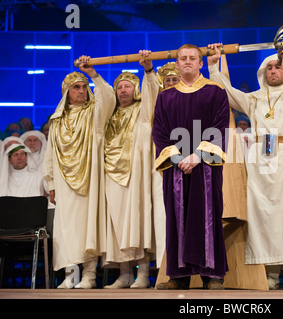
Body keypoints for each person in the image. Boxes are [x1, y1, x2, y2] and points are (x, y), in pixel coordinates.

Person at [208, 43, 283, 290]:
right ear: (263, 72)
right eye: (270, 67)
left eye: (278, 67)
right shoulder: (254, 98)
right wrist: (214, 66)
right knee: (263, 216)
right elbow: (227, 93)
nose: (274, 71)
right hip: (260, 158)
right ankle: (269, 271)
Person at [152, 44, 229, 290]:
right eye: (182, 58)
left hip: (205, 166)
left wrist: (197, 155)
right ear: (177, 63)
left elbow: (219, 127)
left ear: (200, 63)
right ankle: (178, 276)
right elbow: (161, 132)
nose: (187, 61)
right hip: (175, 168)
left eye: (192, 58)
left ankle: (213, 276)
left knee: (208, 217)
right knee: (176, 219)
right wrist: (177, 158)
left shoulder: (215, 93)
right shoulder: (165, 97)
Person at [43, 56, 115, 289]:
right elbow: (50, 155)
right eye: (77, 87)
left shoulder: (94, 112)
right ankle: (70, 274)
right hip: (64, 183)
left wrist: (93, 74)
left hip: (90, 179)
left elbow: (108, 97)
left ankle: (90, 276)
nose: (82, 90)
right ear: (66, 91)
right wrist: (51, 183)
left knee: (88, 227)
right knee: (66, 229)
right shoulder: (56, 120)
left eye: (84, 87)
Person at [102, 51, 164, 289]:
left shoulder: (142, 110)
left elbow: (152, 92)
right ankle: (125, 274)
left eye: (128, 86)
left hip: (136, 175)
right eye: (119, 87)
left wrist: (148, 70)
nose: (123, 91)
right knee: (117, 224)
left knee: (138, 223)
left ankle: (143, 274)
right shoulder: (111, 114)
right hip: (112, 175)